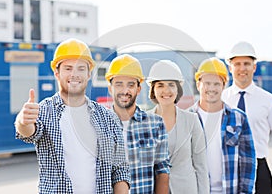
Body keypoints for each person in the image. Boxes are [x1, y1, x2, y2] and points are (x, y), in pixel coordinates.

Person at [14, 38, 130, 194]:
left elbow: (120, 169)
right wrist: (23, 120)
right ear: (57, 72)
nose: (74, 74)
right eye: (68, 68)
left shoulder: (108, 117)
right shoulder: (44, 111)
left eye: (81, 68)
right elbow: (28, 132)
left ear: (89, 74)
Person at [222, 41, 272, 194]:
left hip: (259, 170)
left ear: (254, 67)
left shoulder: (268, 100)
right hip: (227, 169)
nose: (242, 69)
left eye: (247, 63)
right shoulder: (221, 100)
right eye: (237, 64)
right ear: (230, 68)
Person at [189, 57, 256, 194]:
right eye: (207, 83)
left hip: (229, 190)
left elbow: (248, 161)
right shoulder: (186, 118)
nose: (211, 89)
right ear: (198, 85)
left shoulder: (238, 118)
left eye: (217, 84)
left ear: (223, 86)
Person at [105, 54, 170, 194]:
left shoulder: (155, 124)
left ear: (139, 89)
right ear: (110, 88)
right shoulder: (99, 125)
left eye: (131, 85)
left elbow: (162, 172)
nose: (125, 91)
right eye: (119, 84)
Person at [146, 60, 209, 194]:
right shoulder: (143, 122)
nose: (166, 90)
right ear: (153, 90)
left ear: (178, 89)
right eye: (160, 85)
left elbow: (201, 167)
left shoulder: (192, 120)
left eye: (171, 85)